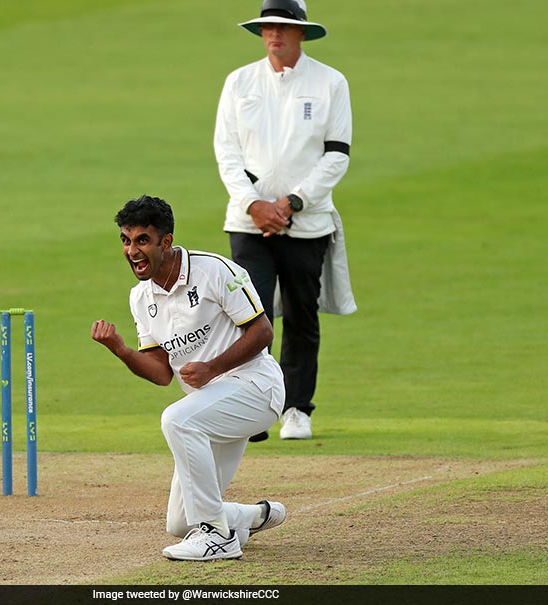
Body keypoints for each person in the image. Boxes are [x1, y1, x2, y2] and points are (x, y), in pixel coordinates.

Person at [91, 194, 287, 561]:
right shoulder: (140, 297)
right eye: (126, 240)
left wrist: (213, 368)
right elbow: (162, 373)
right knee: (181, 523)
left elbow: (262, 332)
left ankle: (218, 537)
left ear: (165, 242)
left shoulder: (214, 270)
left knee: (175, 419)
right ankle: (249, 516)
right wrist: (120, 349)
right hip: (209, 410)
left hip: (256, 388)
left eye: (142, 240)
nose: (132, 251)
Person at [214, 0, 357, 442]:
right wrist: (255, 204)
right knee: (248, 313)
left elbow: (337, 155)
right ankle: (253, 410)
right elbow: (227, 152)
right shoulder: (239, 81)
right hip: (248, 221)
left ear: (301, 32)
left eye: (283, 27)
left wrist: (292, 202)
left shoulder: (330, 82)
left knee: (300, 315)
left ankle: (296, 408)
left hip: (307, 222)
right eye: (267, 27)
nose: (273, 34)